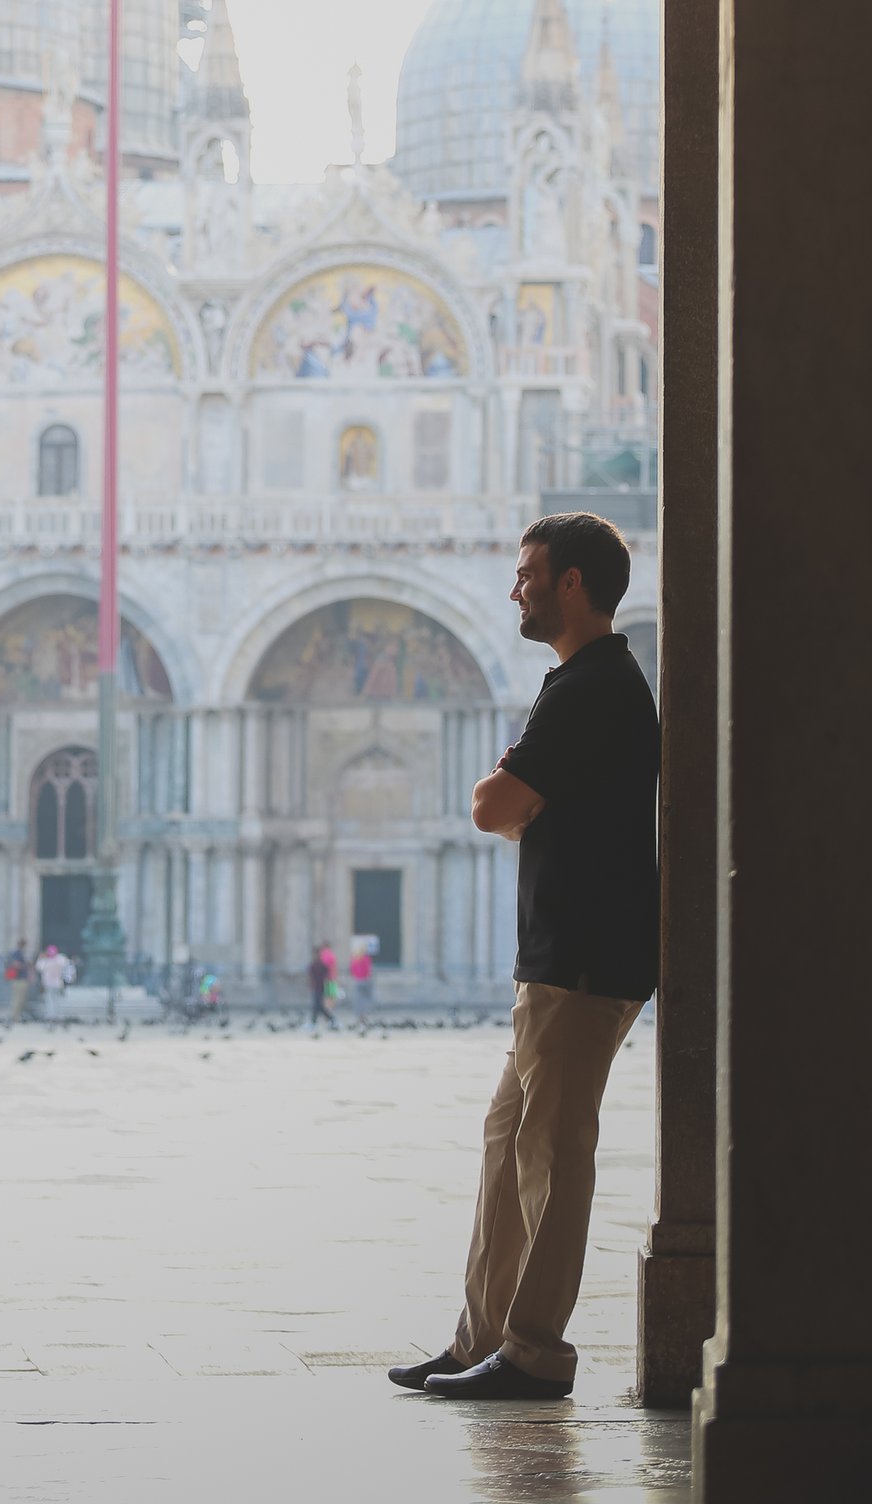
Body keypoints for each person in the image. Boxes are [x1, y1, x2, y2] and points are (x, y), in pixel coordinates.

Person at [391, 513, 658, 1405]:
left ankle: (536, 1351)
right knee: (509, 1140)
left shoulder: (593, 687)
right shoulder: (584, 683)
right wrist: (517, 799)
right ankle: (482, 1338)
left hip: (583, 955)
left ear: (571, 582)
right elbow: (515, 806)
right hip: (560, 954)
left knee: (552, 1150)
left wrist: (507, 792)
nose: (516, 589)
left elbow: (491, 806)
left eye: (527, 573)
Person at [308, 942, 340, 1030]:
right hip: (330, 981)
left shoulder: (323, 957)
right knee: (322, 1003)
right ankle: (329, 1019)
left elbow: (322, 970)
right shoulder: (331, 955)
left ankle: (330, 1019)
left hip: (326, 983)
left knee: (322, 1003)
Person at [6, 939, 32, 1023]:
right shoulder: (17, 953)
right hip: (18, 979)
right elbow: (15, 964)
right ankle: (13, 1016)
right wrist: (25, 965)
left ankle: (17, 1016)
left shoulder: (21, 953)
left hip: (22, 978)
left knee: (21, 999)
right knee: (17, 998)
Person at [348, 940, 374, 1021]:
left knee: (358, 998)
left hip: (357, 980)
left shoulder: (354, 959)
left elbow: (352, 970)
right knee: (366, 998)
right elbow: (368, 969)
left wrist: (355, 976)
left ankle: (359, 1014)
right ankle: (365, 1013)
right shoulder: (366, 958)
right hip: (365, 980)